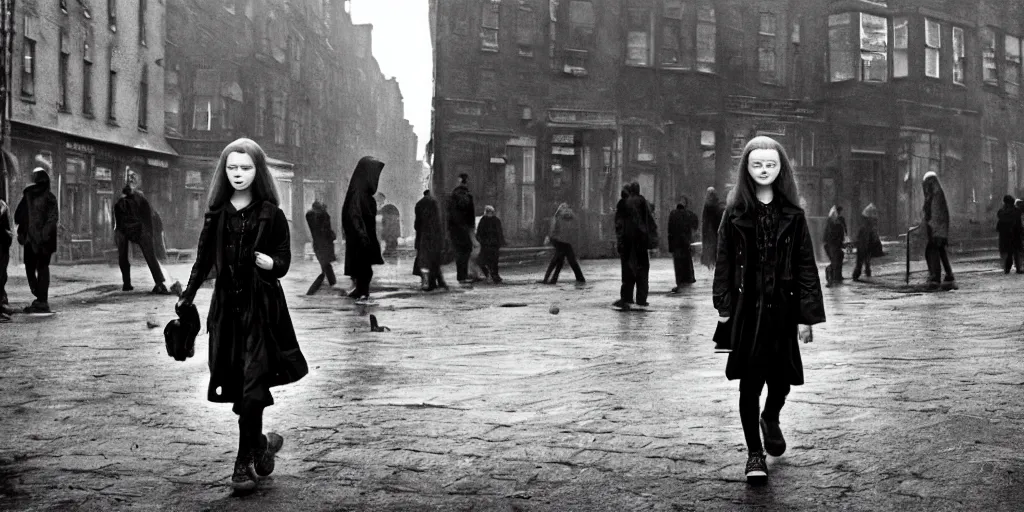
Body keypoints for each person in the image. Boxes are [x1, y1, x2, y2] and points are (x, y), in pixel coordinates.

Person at [175, 138, 308, 492]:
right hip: (227, 314)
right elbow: (203, 261)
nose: (238, 174)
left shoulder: (272, 213)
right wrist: (186, 298)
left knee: (252, 387)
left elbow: (283, 257)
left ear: (258, 172)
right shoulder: (217, 214)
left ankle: (241, 462)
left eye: (246, 168)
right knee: (240, 389)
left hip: (261, 312)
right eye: (232, 168)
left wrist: (272, 264)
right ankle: (261, 445)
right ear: (224, 171)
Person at [712, 136, 825, 485]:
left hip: (783, 309)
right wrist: (724, 308)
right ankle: (754, 454)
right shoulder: (734, 214)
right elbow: (724, 262)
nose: (764, 170)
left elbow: (807, 264)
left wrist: (806, 316)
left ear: (781, 168)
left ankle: (771, 416)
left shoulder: (793, 214)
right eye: (757, 164)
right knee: (749, 385)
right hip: (748, 311)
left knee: (782, 382)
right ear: (746, 168)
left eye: (771, 164)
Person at [14, 162, 59, 314]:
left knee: (30, 267)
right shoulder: (51, 198)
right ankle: (42, 300)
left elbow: (18, 216)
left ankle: (39, 296)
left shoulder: (28, 195)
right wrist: (43, 235)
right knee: (43, 268)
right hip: (44, 241)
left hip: (30, 240)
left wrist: (25, 231)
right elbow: (53, 220)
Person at [342, 156, 386, 304]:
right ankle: (362, 292)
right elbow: (354, 215)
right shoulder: (359, 193)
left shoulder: (361, 193)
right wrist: (362, 235)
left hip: (363, 235)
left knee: (363, 266)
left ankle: (361, 290)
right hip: (361, 236)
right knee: (364, 267)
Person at [113, 185, 169, 294]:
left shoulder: (119, 203)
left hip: (123, 230)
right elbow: (148, 218)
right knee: (150, 256)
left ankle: (127, 284)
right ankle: (159, 283)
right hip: (140, 229)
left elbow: (117, 223)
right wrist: (150, 234)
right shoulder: (142, 200)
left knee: (123, 256)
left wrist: (118, 234)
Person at [614, 182, 657, 310]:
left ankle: (626, 297)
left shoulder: (623, 204)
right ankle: (641, 299)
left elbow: (619, 225)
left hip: (627, 243)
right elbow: (649, 220)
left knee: (627, 270)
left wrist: (620, 241)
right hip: (641, 242)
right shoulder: (642, 202)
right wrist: (652, 238)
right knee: (642, 270)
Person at [921, 171, 955, 289]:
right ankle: (949, 274)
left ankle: (935, 277)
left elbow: (936, 213)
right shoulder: (935, 194)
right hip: (939, 228)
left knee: (931, 250)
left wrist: (931, 225)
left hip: (937, 229)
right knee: (940, 250)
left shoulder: (936, 195)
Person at [541, 202, 586, 285]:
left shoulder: (565, 217)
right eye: (563, 208)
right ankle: (580, 279)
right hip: (561, 242)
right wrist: (551, 238)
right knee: (562, 261)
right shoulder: (558, 218)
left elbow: (573, 229)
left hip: (565, 242)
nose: (566, 210)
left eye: (566, 208)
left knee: (559, 261)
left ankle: (550, 279)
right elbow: (554, 230)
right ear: (560, 210)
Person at [413, 190, 449, 291]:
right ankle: (436, 283)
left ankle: (431, 283)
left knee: (425, 261)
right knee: (433, 261)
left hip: (423, 238)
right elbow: (438, 223)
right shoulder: (434, 204)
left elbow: (417, 224)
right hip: (433, 238)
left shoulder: (419, 204)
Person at [448, 173, 477, 283]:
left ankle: (461, 275)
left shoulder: (452, 196)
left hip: (454, 229)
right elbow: (470, 216)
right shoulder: (468, 196)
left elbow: (449, 214)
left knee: (458, 252)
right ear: (466, 182)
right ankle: (463, 275)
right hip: (464, 229)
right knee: (466, 251)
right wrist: (471, 230)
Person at [304, 200, 337, 295]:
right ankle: (330, 283)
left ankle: (329, 283)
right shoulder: (318, 216)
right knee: (326, 265)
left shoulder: (317, 216)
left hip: (322, 244)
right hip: (322, 244)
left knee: (325, 266)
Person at [668, 198, 699, 292]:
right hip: (685, 243)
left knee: (678, 264)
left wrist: (670, 246)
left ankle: (680, 283)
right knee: (686, 262)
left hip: (676, 243)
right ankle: (688, 280)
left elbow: (669, 230)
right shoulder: (688, 213)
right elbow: (695, 222)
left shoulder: (672, 214)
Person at [475, 205, 506, 283]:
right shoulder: (491, 220)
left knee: (489, 262)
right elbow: (499, 233)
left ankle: (493, 276)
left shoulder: (487, 220)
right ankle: (493, 276)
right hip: (489, 245)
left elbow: (499, 233)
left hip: (489, 245)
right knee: (489, 261)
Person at [852, 203, 880, 281]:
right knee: (862, 262)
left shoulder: (866, 225)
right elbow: (865, 236)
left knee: (863, 262)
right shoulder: (866, 225)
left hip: (865, 246)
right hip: (864, 246)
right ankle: (857, 276)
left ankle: (858, 275)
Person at [996, 195, 1022, 274]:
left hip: (1006, 235)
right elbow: (1018, 223)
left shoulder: (1002, 211)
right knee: (1016, 252)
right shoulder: (1016, 211)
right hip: (1015, 234)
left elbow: (1000, 222)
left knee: (1009, 253)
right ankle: (1018, 268)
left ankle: (1007, 268)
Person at [822, 205, 847, 287]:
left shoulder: (838, 223)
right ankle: (831, 276)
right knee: (835, 261)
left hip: (835, 245)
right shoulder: (831, 224)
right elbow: (828, 237)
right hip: (831, 245)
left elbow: (841, 235)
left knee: (839, 257)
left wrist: (841, 243)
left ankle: (837, 276)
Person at [701, 187, 725, 271]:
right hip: (710, 230)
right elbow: (705, 220)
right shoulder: (708, 205)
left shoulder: (717, 205)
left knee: (715, 248)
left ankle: (715, 263)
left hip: (715, 229)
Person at [0, 198, 12, 322]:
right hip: (2, 243)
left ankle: (2, 303)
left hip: (2, 244)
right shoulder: (2, 206)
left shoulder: (2, 205)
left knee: (2, 275)